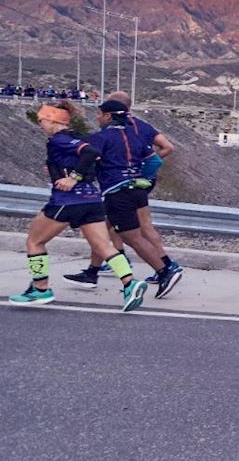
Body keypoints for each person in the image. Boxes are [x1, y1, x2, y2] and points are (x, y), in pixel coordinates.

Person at [9, 100, 146, 311]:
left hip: (68, 200)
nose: (40, 124)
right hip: (92, 200)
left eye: (42, 120)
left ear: (53, 119)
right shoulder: (76, 136)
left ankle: (40, 288)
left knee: (34, 242)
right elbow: (93, 155)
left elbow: (90, 153)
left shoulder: (59, 139)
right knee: (104, 247)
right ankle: (130, 284)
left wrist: (73, 177)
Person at [66, 93, 181, 291]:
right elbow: (154, 160)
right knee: (100, 230)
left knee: (131, 237)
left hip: (117, 192)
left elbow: (85, 157)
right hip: (136, 189)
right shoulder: (134, 135)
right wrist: (139, 176)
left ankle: (165, 271)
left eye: (100, 114)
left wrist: (73, 175)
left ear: (109, 116)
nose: (97, 118)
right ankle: (92, 272)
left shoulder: (101, 138)